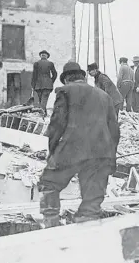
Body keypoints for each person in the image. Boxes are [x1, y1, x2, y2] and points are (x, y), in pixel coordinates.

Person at [38, 62, 120, 227]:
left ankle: (51, 228)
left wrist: (53, 152)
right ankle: (85, 234)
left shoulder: (65, 91)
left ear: (66, 79)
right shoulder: (105, 96)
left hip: (71, 148)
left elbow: (56, 125)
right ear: (83, 77)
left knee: (49, 185)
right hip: (100, 153)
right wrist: (110, 157)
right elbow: (115, 132)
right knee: (91, 203)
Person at [31, 50, 58, 116]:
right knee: (43, 101)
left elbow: (34, 75)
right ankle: (43, 114)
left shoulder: (36, 63)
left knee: (41, 101)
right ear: (47, 56)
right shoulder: (50, 63)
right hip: (47, 85)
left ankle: (43, 114)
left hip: (38, 85)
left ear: (41, 56)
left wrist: (33, 85)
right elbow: (55, 74)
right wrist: (51, 81)